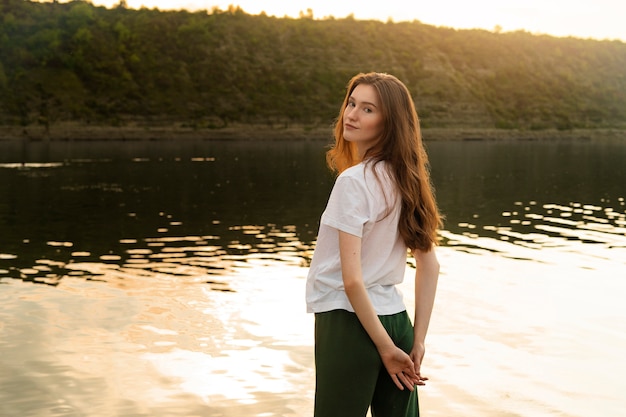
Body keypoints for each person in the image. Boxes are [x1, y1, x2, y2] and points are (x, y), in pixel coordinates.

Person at [306, 72, 442, 417]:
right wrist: (416, 340)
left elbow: (351, 281)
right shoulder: (408, 178)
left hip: (348, 321)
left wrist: (383, 347)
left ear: (389, 122)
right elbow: (430, 264)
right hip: (397, 322)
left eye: (368, 109)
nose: (351, 114)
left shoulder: (353, 182)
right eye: (351, 103)